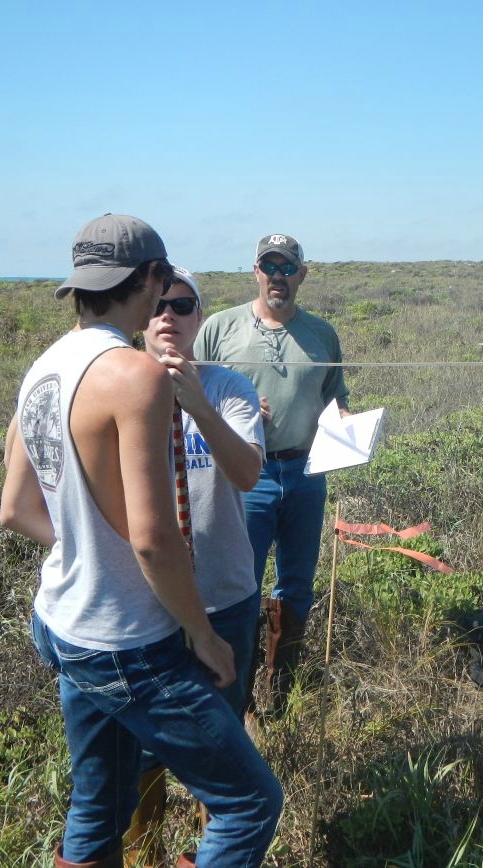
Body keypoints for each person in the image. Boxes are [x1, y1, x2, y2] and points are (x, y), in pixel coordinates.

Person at [0, 214, 282, 868]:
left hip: (63, 622)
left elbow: (14, 507)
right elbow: (154, 541)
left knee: (99, 800)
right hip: (128, 638)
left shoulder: (45, 367)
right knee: (249, 803)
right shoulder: (134, 374)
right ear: (151, 279)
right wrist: (204, 636)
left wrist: (91, 552)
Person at [122, 267, 267, 862]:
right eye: (156, 306)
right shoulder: (118, 389)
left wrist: (197, 405)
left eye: (181, 306)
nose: (167, 317)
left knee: (223, 741)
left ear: (198, 318)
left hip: (225, 596)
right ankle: (144, 848)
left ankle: (215, 847)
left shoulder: (228, 387)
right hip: (146, 607)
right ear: (139, 318)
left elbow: (248, 473)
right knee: (142, 750)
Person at [194, 233, 349, 713]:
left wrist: (345, 424)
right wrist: (235, 415)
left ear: (302, 273)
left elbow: (336, 399)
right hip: (247, 478)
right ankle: (233, 695)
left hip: (306, 473)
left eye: (288, 268)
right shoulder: (220, 328)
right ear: (255, 270)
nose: (278, 276)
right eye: (269, 266)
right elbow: (187, 398)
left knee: (297, 584)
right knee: (242, 584)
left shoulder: (322, 334)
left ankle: (278, 693)